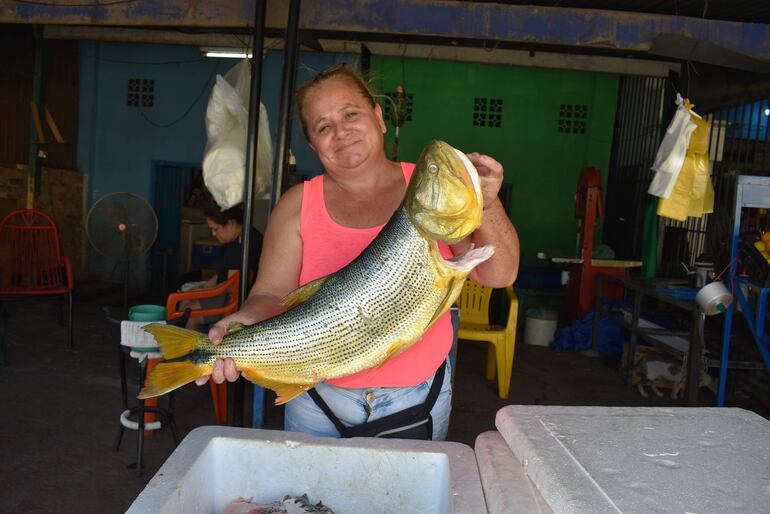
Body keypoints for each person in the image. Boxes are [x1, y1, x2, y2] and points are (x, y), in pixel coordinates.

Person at [195, 63, 519, 440]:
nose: (341, 132)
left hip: (417, 397)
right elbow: (270, 294)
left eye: (351, 114)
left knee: (407, 500)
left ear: (379, 118)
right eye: (323, 126)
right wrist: (242, 325)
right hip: (317, 398)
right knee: (310, 499)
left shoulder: (428, 192)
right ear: (313, 144)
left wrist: (489, 203)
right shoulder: (297, 204)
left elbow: (500, 274)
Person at [179, 199, 263, 332]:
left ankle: (194, 350)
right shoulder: (239, 237)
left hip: (237, 299)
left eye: (215, 229)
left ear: (230, 223)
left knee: (188, 312)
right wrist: (203, 287)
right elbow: (223, 273)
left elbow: (232, 286)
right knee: (185, 300)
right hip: (227, 293)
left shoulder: (244, 245)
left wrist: (203, 292)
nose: (213, 234)